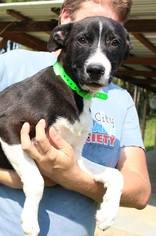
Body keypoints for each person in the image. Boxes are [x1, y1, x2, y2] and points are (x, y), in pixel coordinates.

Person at [0, 0, 151, 235]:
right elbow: (6, 123)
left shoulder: (119, 101)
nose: (97, 60)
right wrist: (29, 181)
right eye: (85, 37)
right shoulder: (12, 66)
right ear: (65, 22)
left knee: (114, 177)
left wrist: (74, 176)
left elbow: (141, 192)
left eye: (112, 40)